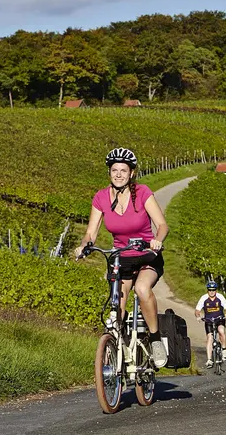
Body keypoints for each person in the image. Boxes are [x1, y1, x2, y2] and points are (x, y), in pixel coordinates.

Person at [74, 147, 169, 368]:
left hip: (147, 254)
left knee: (142, 289)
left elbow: (162, 225)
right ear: (109, 172)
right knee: (117, 302)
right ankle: (116, 344)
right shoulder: (101, 197)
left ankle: (155, 341)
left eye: (123, 170)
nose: (118, 174)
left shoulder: (143, 192)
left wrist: (157, 240)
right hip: (121, 258)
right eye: (114, 170)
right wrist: (83, 246)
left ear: (131, 173)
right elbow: (91, 232)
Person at [195, 280, 226, 368]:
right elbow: (197, 310)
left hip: (219, 319)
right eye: (210, 290)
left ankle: (224, 349)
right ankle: (209, 359)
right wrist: (198, 316)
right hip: (208, 320)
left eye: (213, 290)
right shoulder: (203, 298)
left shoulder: (220, 297)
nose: (211, 292)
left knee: (221, 331)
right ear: (207, 290)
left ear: (216, 290)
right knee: (209, 338)